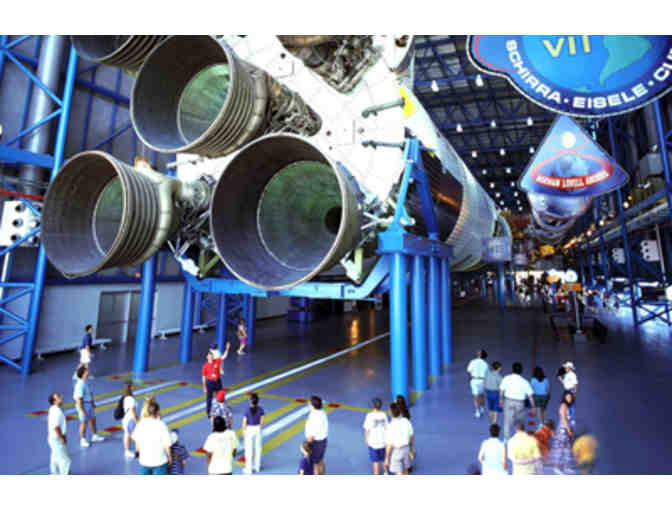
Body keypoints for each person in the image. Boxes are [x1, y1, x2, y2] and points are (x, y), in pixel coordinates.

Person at [132, 401, 172, 475]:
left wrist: (137, 452)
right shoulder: (161, 425)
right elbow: (167, 444)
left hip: (144, 460)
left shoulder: (141, 423)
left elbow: (137, 441)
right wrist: (169, 456)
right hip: (160, 461)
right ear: (158, 412)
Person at [499, 362, 535, 441]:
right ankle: (519, 438)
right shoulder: (524, 381)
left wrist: (500, 400)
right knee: (520, 422)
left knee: (507, 422)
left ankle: (506, 440)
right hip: (520, 403)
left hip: (508, 401)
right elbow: (530, 395)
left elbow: (501, 390)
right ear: (521, 371)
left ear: (512, 369)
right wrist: (533, 406)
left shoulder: (506, 378)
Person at [73, 365, 104, 447]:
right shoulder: (80, 384)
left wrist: (92, 403)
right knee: (84, 423)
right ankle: (82, 440)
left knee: (92, 420)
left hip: (89, 404)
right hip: (84, 405)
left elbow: (90, 393)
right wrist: (82, 410)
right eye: (87, 371)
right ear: (83, 373)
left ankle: (94, 436)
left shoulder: (85, 382)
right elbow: (78, 399)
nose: (88, 372)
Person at [384, 402, 414, 475]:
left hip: (396, 451)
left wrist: (387, 458)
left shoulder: (390, 426)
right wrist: (411, 448)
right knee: (406, 469)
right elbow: (411, 436)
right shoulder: (406, 421)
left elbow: (389, 445)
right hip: (406, 449)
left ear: (390, 413)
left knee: (399, 472)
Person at [549, 391, 576, 474]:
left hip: (566, 430)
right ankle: (556, 467)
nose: (569, 398)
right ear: (564, 398)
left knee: (567, 449)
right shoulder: (563, 406)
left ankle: (566, 467)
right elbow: (564, 419)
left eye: (570, 397)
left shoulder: (567, 406)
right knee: (560, 449)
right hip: (562, 430)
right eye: (567, 397)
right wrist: (569, 430)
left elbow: (568, 419)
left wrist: (570, 429)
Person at [202, 345, 229, 418]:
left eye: (211, 356)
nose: (210, 357)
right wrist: (204, 387)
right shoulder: (205, 366)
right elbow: (203, 377)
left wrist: (227, 349)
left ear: (213, 357)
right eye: (209, 356)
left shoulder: (217, 361)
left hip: (217, 382)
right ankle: (208, 412)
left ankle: (223, 409)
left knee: (221, 396)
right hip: (209, 383)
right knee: (209, 398)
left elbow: (224, 357)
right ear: (207, 357)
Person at [47, 392, 71, 475]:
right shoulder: (57, 412)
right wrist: (61, 438)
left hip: (52, 438)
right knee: (65, 460)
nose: (61, 397)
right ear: (54, 401)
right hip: (57, 439)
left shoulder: (52, 409)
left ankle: (55, 473)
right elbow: (56, 427)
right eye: (58, 397)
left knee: (55, 457)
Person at [363, 397, 388, 475]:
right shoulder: (384, 415)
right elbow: (387, 428)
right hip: (383, 442)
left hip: (373, 443)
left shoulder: (369, 415)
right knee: (384, 459)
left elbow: (367, 429)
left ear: (373, 405)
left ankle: (376, 473)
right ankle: (386, 472)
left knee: (375, 461)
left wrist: (366, 439)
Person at [305, 395, 328, 475]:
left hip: (315, 442)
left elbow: (312, 434)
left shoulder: (314, 416)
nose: (308, 404)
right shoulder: (322, 412)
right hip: (323, 440)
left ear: (313, 405)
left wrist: (307, 446)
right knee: (320, 460)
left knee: (314, 464)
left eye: (309, 403)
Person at [242, 393, 265, 474]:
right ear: (258, 401)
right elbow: (262, 422)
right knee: (258, 448)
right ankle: (257, 466)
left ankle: (249, 468)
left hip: (249, 429)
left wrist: (244, 431)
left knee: (249, 449)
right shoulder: (261, 410)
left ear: (250, 401)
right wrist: (259, 428)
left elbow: (244, 423)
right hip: (258, 429)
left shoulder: (247, 410)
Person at [467, 349, 489, 418]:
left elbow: (469, 371)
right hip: (482, 380)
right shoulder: (485, 364)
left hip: (474, 380)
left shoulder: (472, 362)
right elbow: (487, 374)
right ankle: (482, 409)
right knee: (482, 395)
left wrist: (470, 378)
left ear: (479, 355)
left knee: (475, 397)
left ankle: (477, 412)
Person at [121, 381, 138, 459]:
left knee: (127, 434)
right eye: (133, 386)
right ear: (130, 388)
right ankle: (138, 452)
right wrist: (137, 420)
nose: (134, 387)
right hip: (131, 419)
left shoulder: (126, 397)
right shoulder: (131, 399)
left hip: (126, 419)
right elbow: (133, 411)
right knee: (136, 436)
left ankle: (127, 451)